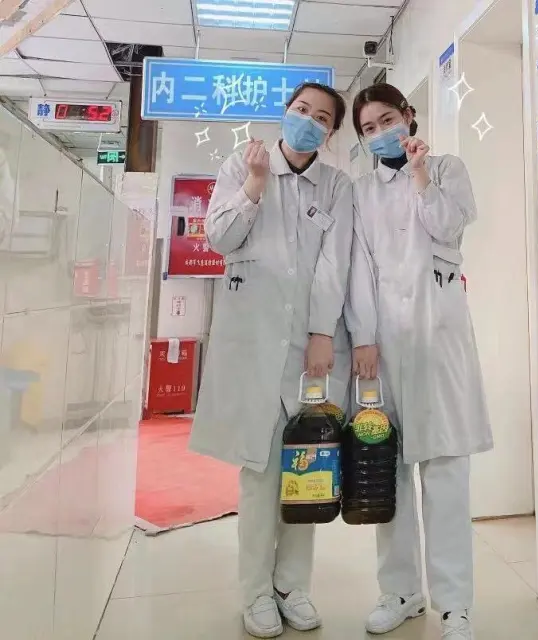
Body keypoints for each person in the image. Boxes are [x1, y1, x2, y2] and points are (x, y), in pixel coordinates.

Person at [189, 82, 353, 638]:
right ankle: (257, 592)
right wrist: (255, 187)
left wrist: (322, 332)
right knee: (260, 476)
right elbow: (219, 238)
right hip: (253, 345)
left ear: (330, 133)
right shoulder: (242, 165)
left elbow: (333, 264)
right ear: (286, 112)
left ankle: (292, 586)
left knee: (309, 466)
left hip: (310, 350)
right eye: (301, 110)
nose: (309, 121)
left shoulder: (336, 186)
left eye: (322, 117)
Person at [346, 83, 493, 640]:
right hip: (383, 348)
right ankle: (401, 591)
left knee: (446, 473)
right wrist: (363, 337)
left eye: (387, 120)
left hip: (439, 342)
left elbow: (448, 226)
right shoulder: (361, 192)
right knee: (387, 471)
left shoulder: (448, 169)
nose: (380, 132)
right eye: (368, 128)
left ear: (409, 116)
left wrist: (420, 173)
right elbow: (359, 267)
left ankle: (455, 606)